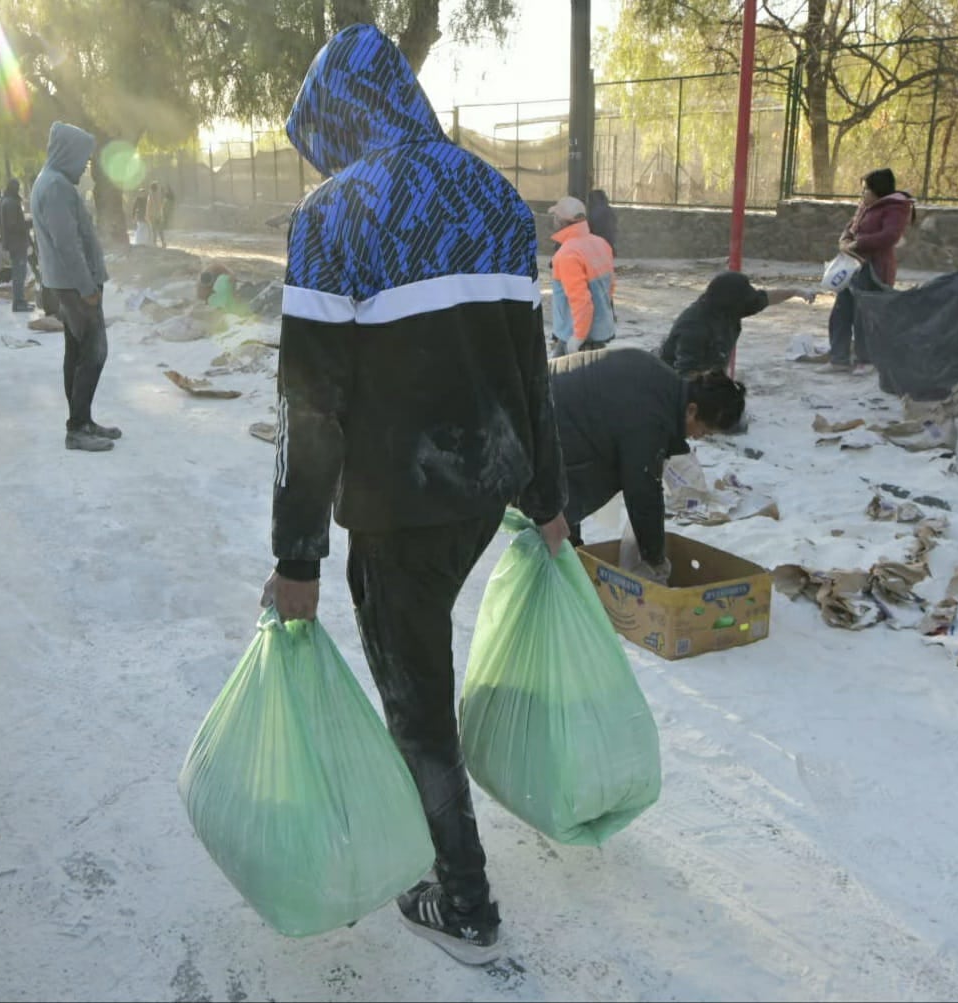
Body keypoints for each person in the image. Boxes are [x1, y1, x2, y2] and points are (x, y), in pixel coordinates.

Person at [263, 23, 568, 966]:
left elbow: (308, 407)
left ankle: (463, 894)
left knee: (416, 694)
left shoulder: (331, 218)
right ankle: (441, 839)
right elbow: (532, 366)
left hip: (398, 506)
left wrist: (296, 558)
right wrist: (550, 496)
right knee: (424, 659)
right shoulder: (495, 195)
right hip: (485, 488)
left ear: (340, 115)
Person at [551, 347, 747, 581]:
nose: (698, 437)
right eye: (704, 430)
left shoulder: (664, 386)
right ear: (692, 411)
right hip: (546, 415)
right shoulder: (652, 417)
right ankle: (561, 566)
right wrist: (655, 558)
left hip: (559, 410)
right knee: (554, 513)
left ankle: (567, 558)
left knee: (565, 511)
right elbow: (642, 491)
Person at [31, 121, 120, 453]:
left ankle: (83, 420)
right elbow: (67, 244)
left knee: (77, 352)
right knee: (94, 354)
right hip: (74, 286)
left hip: (67, 284)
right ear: (67, 154)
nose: (85, 166)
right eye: (82, 159)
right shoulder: (56, 187)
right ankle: (78, 428)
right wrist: (87, 287)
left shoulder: (51, 182)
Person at [830, 168, 916, 372]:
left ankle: (866, 360)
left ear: (879, 190)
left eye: (866, 190)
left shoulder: (895, 208)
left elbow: (890, 236)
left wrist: (858, 243)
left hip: (874, 269)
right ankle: (838, 359)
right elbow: (851, 226)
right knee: (841, 311)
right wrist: (845, 240)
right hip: (852, 267)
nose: (862, 194)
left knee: (865, 316)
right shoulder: (866, 206)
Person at [659, 271, 815, 377]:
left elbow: (766, 297)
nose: (750, 302)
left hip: (708, 375)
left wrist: (796, 292)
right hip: (672, 380)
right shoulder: (694, 326)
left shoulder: (731, 306)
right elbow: (686, 374)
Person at [548, 195, 616, 357]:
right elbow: (610, 287)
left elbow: (581, 300)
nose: (553, 221)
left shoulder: (567, 254)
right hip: (600, 334)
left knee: (558, 381)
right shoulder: (601, 244)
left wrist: (577, 338)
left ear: (561, 221)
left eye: (555, 217)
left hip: (575, 337)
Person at [0, 178, 34, 312]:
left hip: (11, 243)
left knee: (18, 273)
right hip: (17, 243)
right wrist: (28, 224)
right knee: (19, 274)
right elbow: (13, 225)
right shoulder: (11, 203)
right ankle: (19, 303)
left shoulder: (2, 201)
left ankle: (19, 302)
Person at [586, 188, 617, 256]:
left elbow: (592, 228)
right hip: (607, 244)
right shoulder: (608, 210)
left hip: (598, 246)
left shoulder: (595, 211)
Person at [147, 181, 166, 248]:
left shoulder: (150, 196)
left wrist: (147, 215)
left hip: (152, 215)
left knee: (153, 230)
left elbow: (149, 206)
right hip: (159, 215)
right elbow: (162, 203)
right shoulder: (159, 195)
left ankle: (154, 243)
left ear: (151, 188)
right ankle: (163, 242)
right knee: (160, 229)